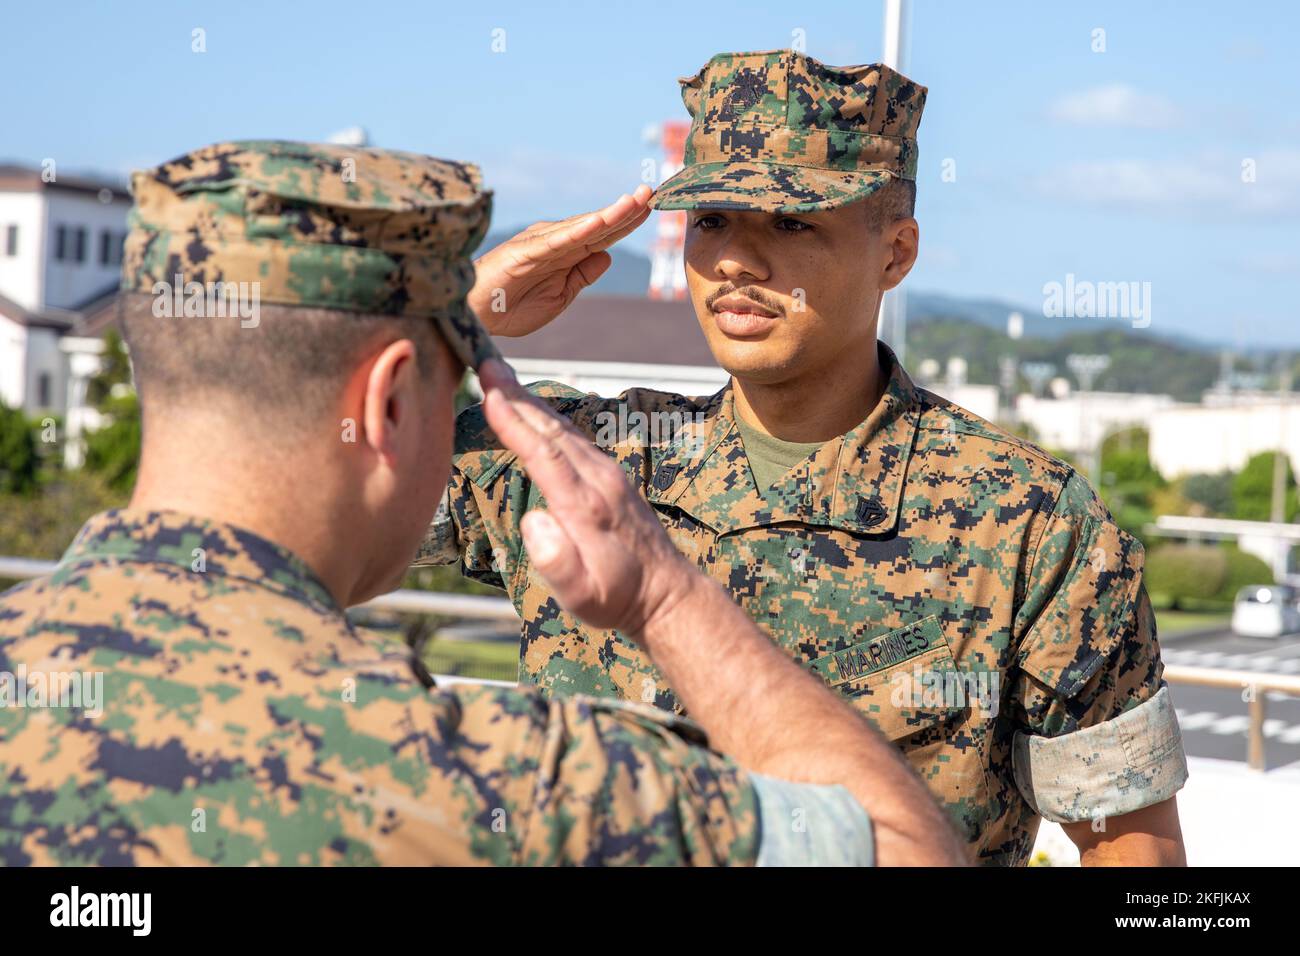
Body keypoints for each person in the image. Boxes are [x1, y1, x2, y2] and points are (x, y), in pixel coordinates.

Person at [0, 140, 965, 867]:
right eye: (453, 384)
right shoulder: (493, 779)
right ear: (388, 403)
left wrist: (452, 330)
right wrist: (666, 600)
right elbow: (900, 845)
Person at [421, 50, 1189, 866]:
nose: (734, 264)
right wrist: (452, 310)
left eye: (791, 224)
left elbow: (1134, 858)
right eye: (711, 220)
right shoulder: (578, 463)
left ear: (896, 253)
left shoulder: (1027, 522)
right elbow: (289, 488)